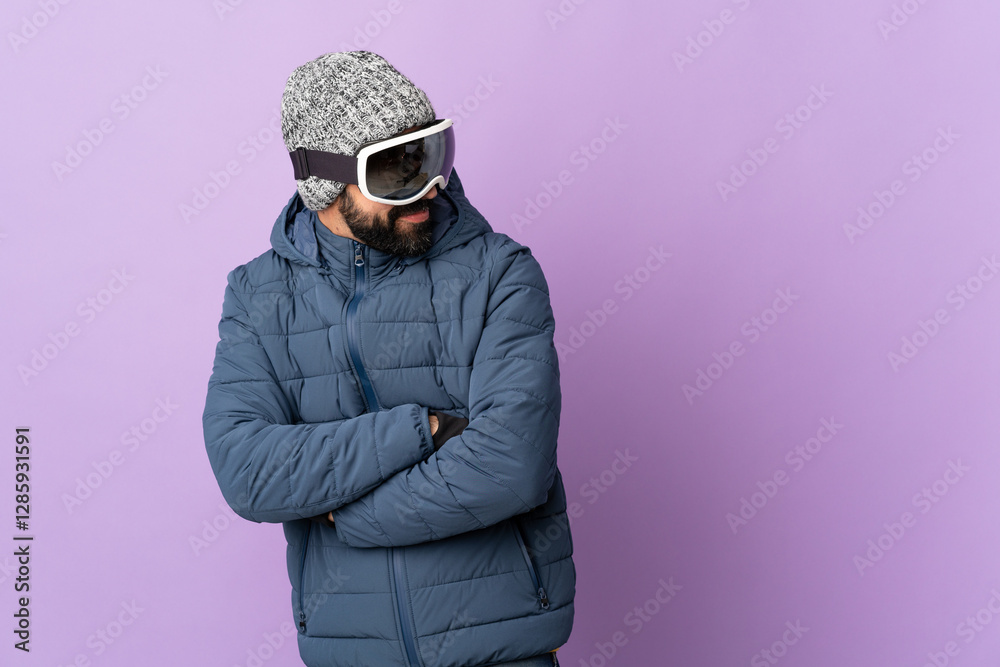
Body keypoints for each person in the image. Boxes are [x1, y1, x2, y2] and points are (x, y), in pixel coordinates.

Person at [202, 50, 575, 667]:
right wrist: (420, 429)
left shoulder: (500, 273)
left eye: (433, 154)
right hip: (350, 651)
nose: (429, 186)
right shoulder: (256, 295)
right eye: (397, 170)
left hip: (500, 647)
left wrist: (341, 514)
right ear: (323, 179)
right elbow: (248, 472)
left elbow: (511, 464)